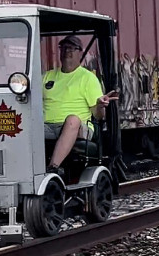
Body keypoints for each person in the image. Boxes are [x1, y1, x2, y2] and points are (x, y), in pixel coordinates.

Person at [42, 35, 119, 175]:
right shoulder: (47, 76)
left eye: (72, 48)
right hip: (47, 126)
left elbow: (99, 116)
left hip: (79, 127)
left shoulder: (88, 78)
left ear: (80, 53)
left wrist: (100, 105)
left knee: (73, 120)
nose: (67, 51)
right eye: (64, 48)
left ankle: (53, 168)